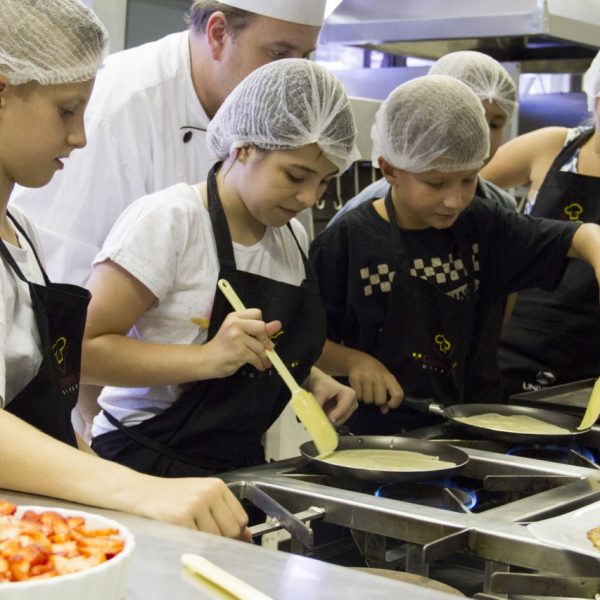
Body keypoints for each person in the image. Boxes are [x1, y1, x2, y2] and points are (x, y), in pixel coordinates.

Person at [11, 0, 332, 436]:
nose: (294, 78)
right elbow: (71, 331)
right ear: (218, 32)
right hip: (103, 432)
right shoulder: (121, 106)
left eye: (307, 57)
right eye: (278, 54)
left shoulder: (290, 213)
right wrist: (99, 448)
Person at [0, 0, 249, 541]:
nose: (81, 137)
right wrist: (136, 488)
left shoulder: (21, 237)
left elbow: (41, 416)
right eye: (67, 110)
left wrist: (109, 497)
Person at [82, 59, 359, 477]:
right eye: (295, 175)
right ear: (244, 147)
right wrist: (207, 359)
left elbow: (260, 348)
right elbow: (81, 351)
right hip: (140, 459)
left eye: (324, 181)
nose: (309, 198)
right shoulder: (172, 219)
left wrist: (310, 378)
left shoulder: (292, 237)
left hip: (234, 465)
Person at [309, 74, 600, 436]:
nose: (455, 200)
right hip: (374, 437)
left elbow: (580, 236)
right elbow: (302, 343)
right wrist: (352, 360)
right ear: (390, 170)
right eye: (436, 183)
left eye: (468, 180)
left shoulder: (483, 225)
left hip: (473, 427)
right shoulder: (347, 243)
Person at [329, 51, 520, 406]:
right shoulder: (365, 217)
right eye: (436, 184)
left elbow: (501, 298)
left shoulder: (498, 209)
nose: (453, 201)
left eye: (493, 124)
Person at [481, 50, 600, 397]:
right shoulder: (553, 146)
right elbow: (463, 189)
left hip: (590, 368)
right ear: (595, 99)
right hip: (514, 346)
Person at [329, 50, 518, 227]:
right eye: (466, 123)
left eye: (494, 125)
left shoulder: (500, 206)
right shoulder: (371, 211)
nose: (481, 137)